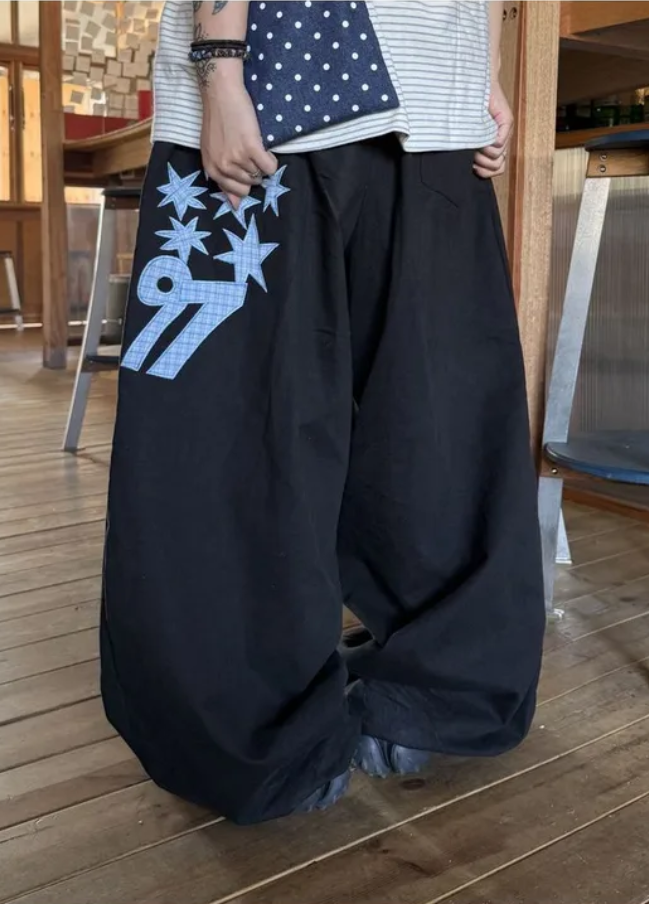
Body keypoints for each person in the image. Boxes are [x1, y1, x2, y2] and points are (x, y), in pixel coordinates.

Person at [101, 0, 545, 825]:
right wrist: (221, 68)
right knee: (259, 429)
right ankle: (289, 721)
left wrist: (481, 70)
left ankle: (408, 698)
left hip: (430, 97)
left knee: (430, 422)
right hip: (264, 94)